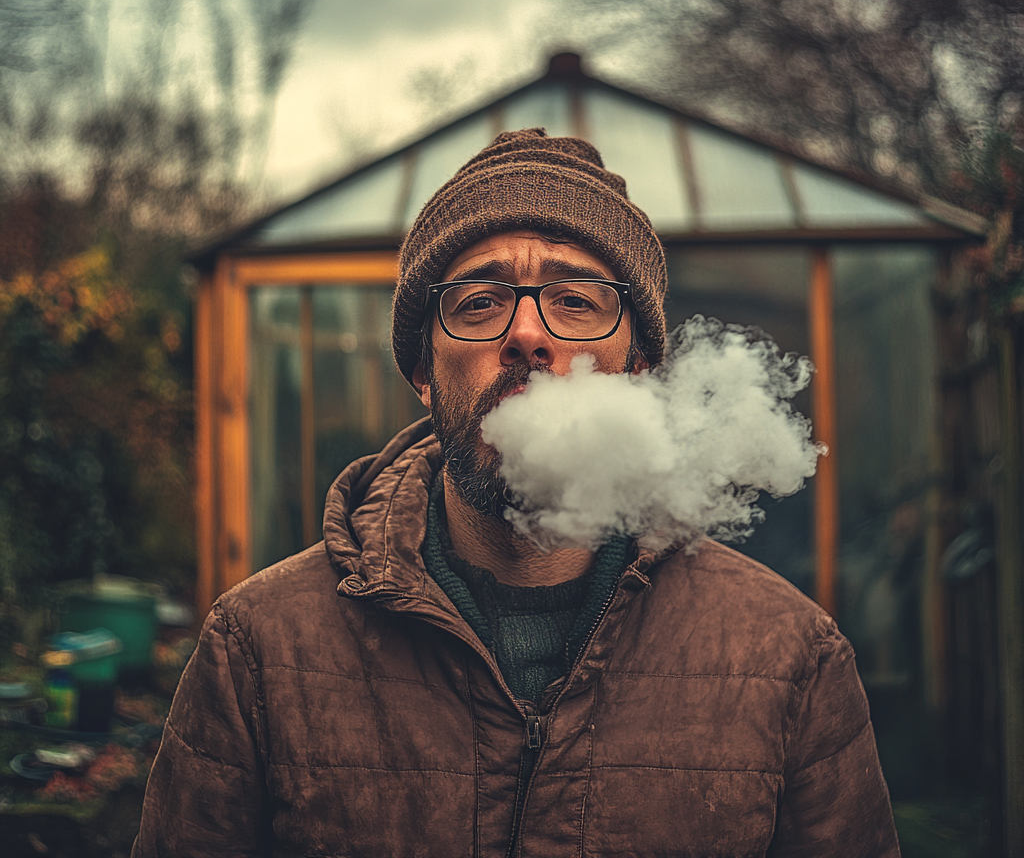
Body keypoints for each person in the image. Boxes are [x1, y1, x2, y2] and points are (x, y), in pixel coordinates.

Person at [133, 128, 900, 857]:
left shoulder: (789, 654)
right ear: (423, 375)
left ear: (636, 366)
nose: (529, 335)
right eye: (479, 302)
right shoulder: (259, 645)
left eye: (574, 301)